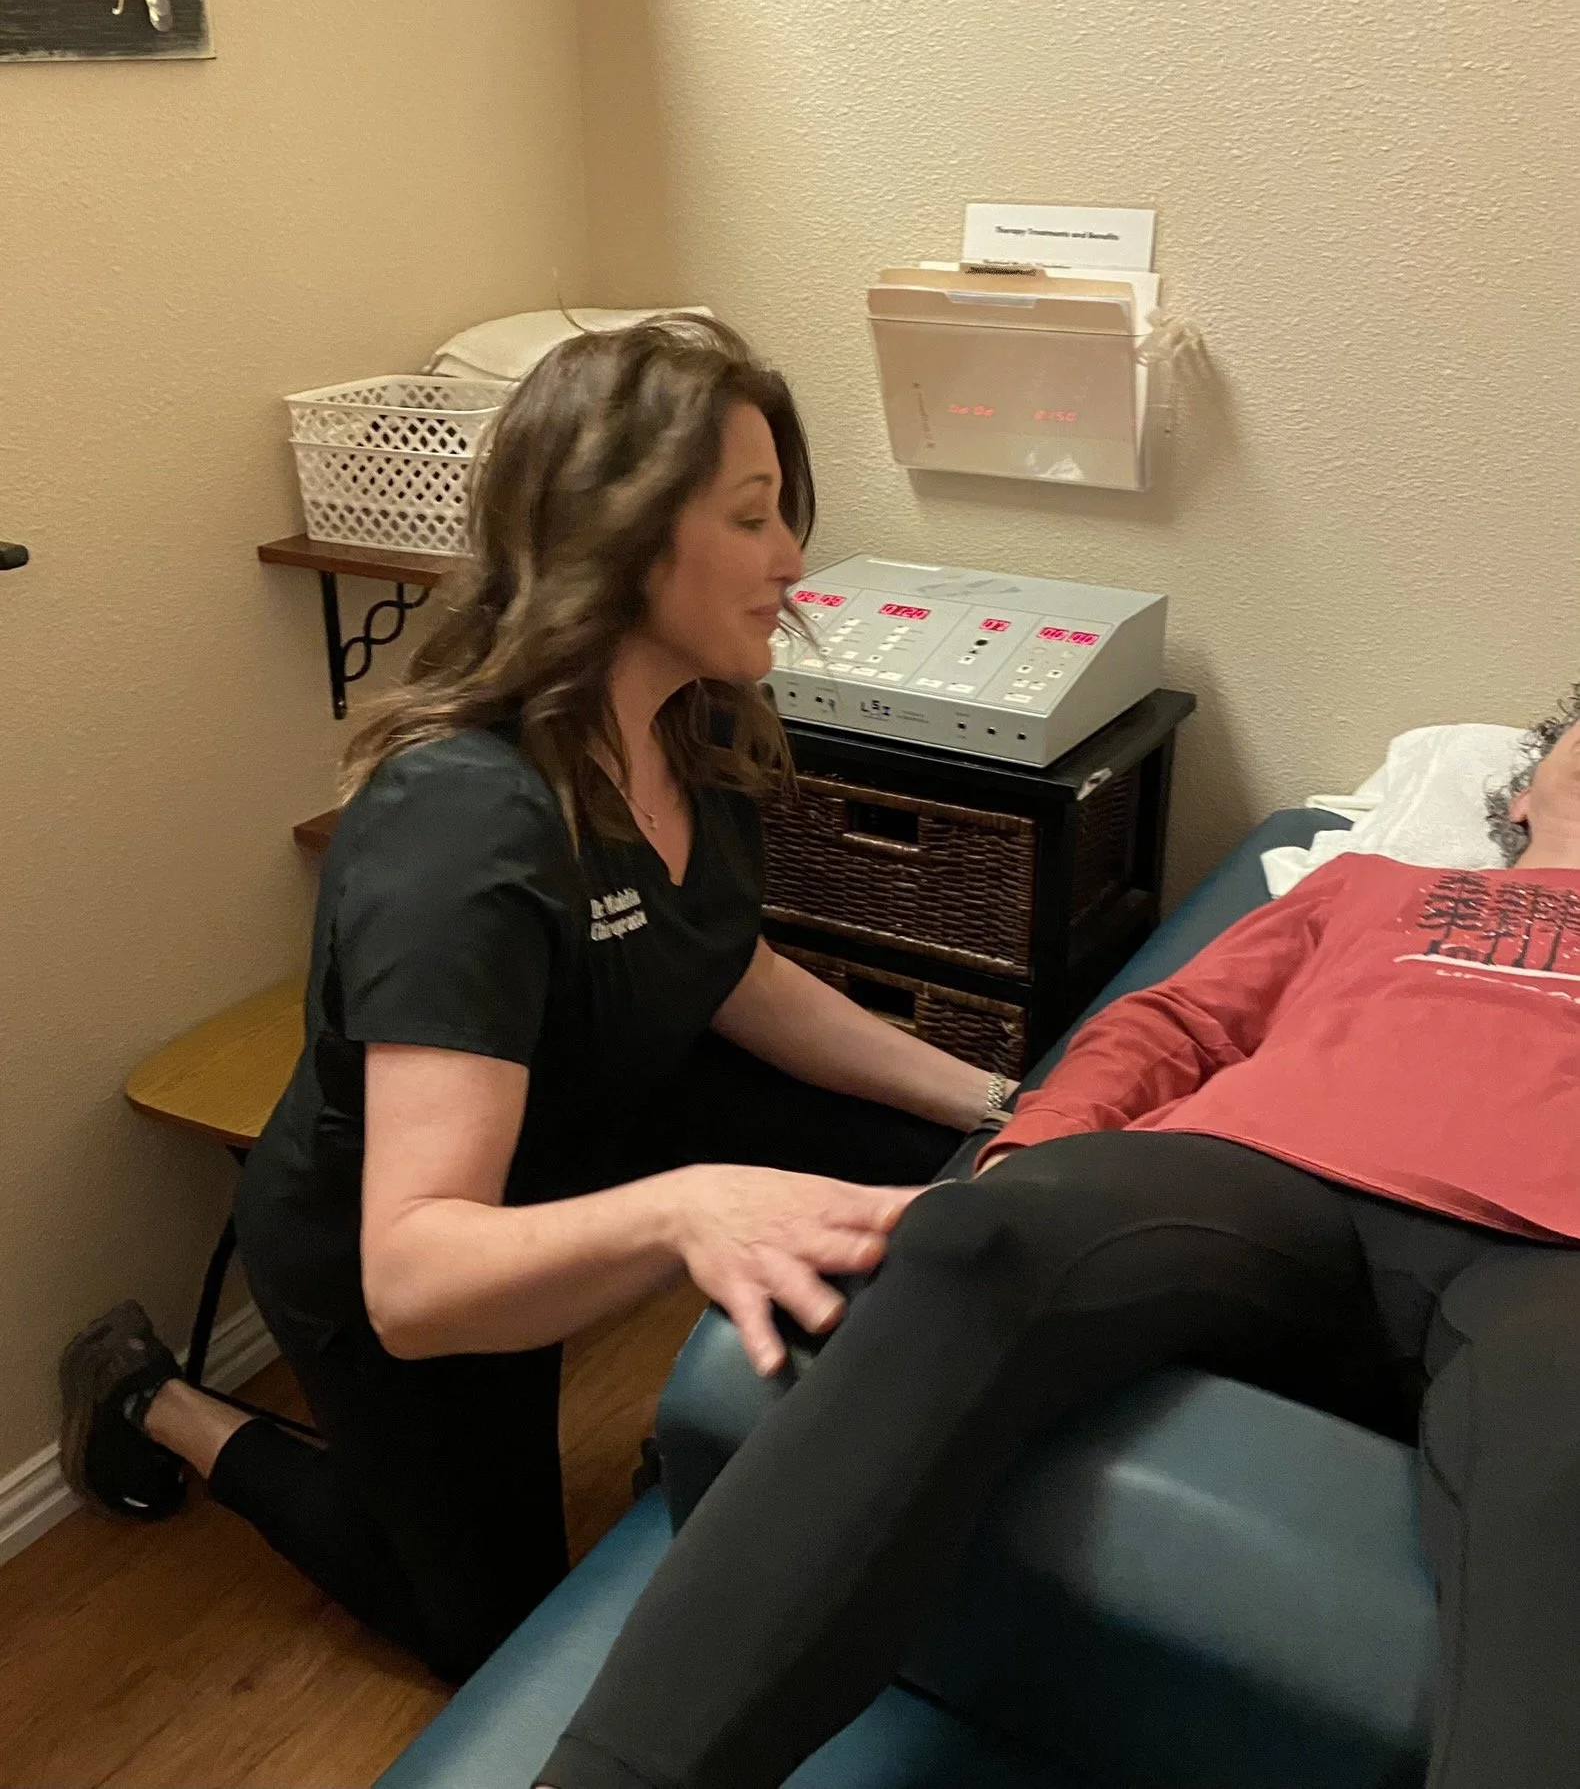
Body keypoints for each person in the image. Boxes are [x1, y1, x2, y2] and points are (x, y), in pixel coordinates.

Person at [57, 315, 1013, 1681]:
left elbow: (721, 960)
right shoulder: (466, 827)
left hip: (566, 1134)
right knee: (484, 1632)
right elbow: (417, 1271)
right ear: (619, 539)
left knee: (943, 1160)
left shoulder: (693, 724)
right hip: (391, 1265)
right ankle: (158, 1401)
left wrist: (996, 1095)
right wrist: (688, 1208)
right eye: (754, 519)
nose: (795, 560)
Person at [534, 690, 1580, 1789]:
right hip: (1266, 1177)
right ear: (1522, 789)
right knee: (976, 1240)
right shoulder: (1372, 887)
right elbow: (1170, 1023)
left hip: (1552, 1262)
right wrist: (1033, 1149)